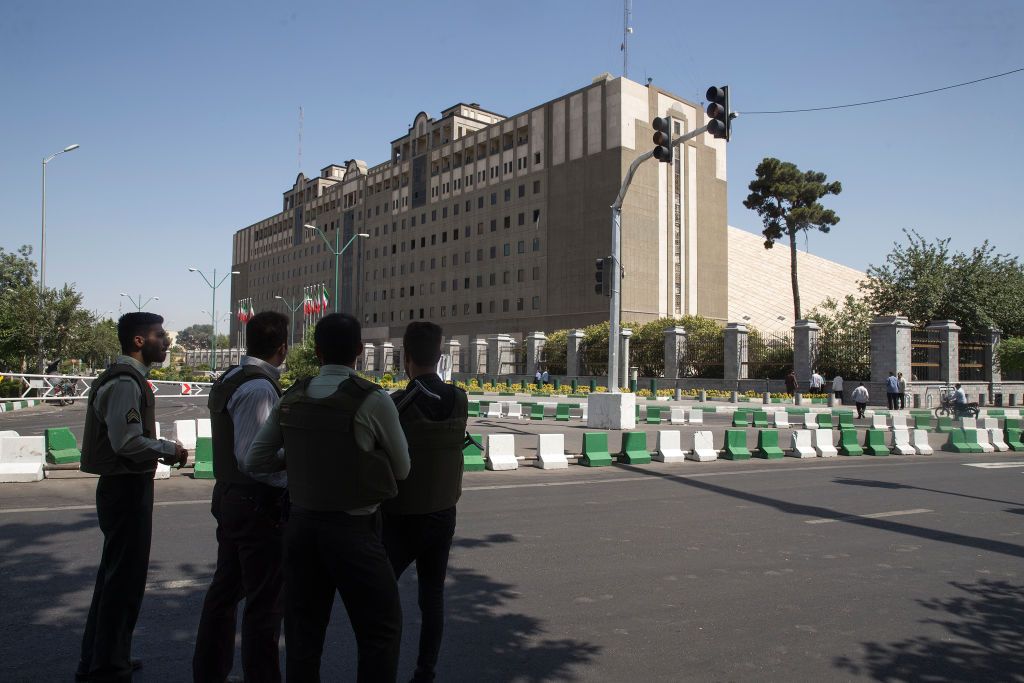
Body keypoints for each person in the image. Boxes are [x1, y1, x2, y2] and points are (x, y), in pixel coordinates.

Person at [244, 313, 410, 682]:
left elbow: (257, 459)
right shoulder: (372, 399)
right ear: (360, 351)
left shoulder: (293, 395)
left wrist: (301, 458)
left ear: (316, 351)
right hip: (354, 531)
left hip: (301, 528)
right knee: (379, 632)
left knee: (303, 637)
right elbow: (402, 469)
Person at [77, 312, 188, 682]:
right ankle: (108, 666)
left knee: (115, 577)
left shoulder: (128, 378)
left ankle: (103, 657)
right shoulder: (126, 381)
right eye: (159, 335)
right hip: (125, 487)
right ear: (139, 341)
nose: (165, 341)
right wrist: (168, 449)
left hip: (125, 486)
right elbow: (127, 442)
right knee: (122, 581)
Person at [193, 311, 290, 683]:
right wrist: (296, 469)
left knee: (225, 592)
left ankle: (209, 671)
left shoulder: (233, 376)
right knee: (265, 604)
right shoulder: (260, 388)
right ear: (282, 348)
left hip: (232, 498)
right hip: (257, 505)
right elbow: (256, 460)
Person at [383, 322, 469, 683]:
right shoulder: (458, 398)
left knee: (383, 596)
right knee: (432, 597)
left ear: (406, 357)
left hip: (401, 515)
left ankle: (381, 667)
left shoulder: (396, 403)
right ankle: (425, 670)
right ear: (440, 355)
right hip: (442, 513)